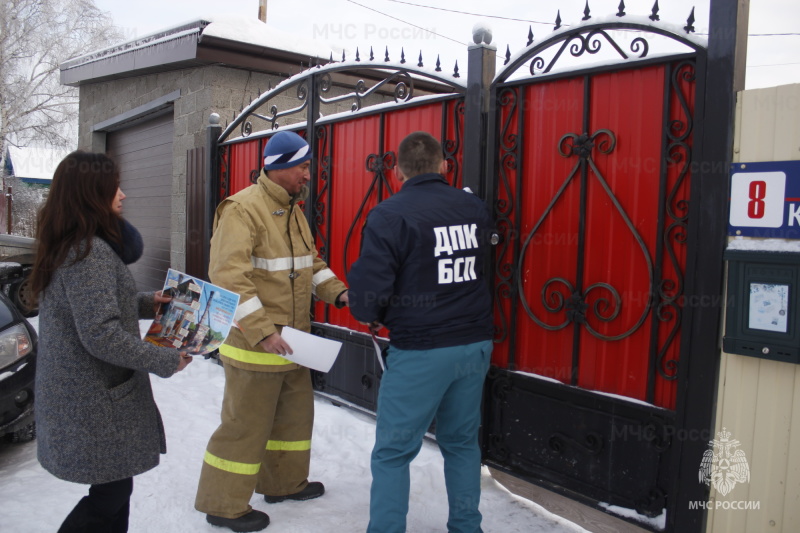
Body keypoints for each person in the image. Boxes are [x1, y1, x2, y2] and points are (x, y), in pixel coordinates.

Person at [195, 130, 349, 532]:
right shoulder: (242, 209)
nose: (308, 175)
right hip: (256, 345)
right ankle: (223, 504)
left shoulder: (293, 209)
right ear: (279, 167)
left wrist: (342, 296)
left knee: (293, 422)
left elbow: (312, 265)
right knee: (244, 427)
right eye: (302, 166)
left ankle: (283, 483)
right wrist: (263, 332)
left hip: (292, 344)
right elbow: (229, 278)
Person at [31, 151, 192, 532]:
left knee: (113, 491)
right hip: (95, 400)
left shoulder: (70, 243)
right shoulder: (90, 253)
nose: (123, 195)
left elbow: (89, 310)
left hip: (82, 396)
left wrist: (146, 303)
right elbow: (101, 334)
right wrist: (165, 359)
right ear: (92, 193)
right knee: (110, 496)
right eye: (114, 187)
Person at [347, 131, 495, 533]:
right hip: (474, 343)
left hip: (421, 350)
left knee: (393, 452)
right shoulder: (475, 208)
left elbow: (369, 290)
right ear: (444, 166)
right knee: (462, 444)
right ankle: (467, 527)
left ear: (397, 171)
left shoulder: (389, 215)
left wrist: (367, 309)